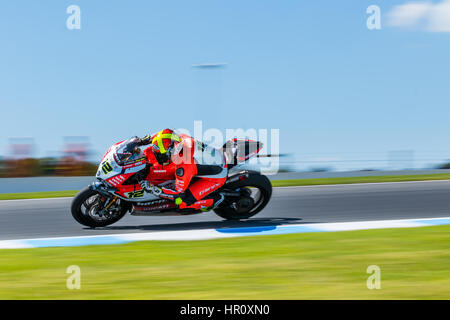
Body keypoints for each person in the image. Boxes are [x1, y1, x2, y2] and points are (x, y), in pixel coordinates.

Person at [133, 129, 226, 210]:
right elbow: (164, 134)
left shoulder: (183, 167)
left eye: (162, 156)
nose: (158, 158)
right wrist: (143, 141)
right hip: (211, 159)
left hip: (216, 176)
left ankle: (214, 200)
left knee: (181, 202)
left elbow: (178, 193)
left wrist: (153, 188)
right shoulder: (178, 138)